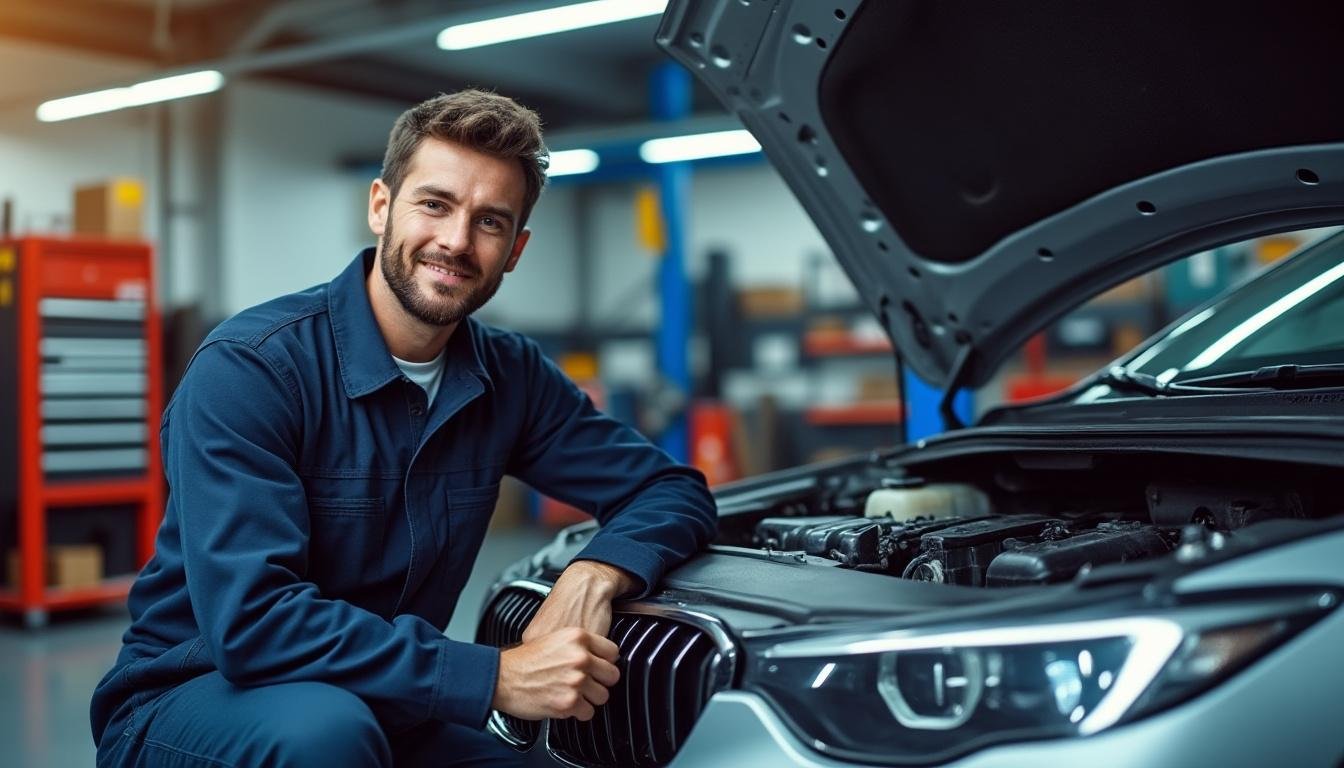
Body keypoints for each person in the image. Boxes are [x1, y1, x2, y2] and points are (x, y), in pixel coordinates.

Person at [89, 89, 718, 767]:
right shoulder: (253, 369)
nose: (456, 240)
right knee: (324, 736)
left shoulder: (509, 376)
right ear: (381, 206)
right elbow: (253, 623)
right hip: (194, 699)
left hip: (386, 702)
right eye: (435, 204)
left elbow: (670, 488)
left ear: (515, 249)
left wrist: (594, 572)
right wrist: (496, 678)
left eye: (490, 221)